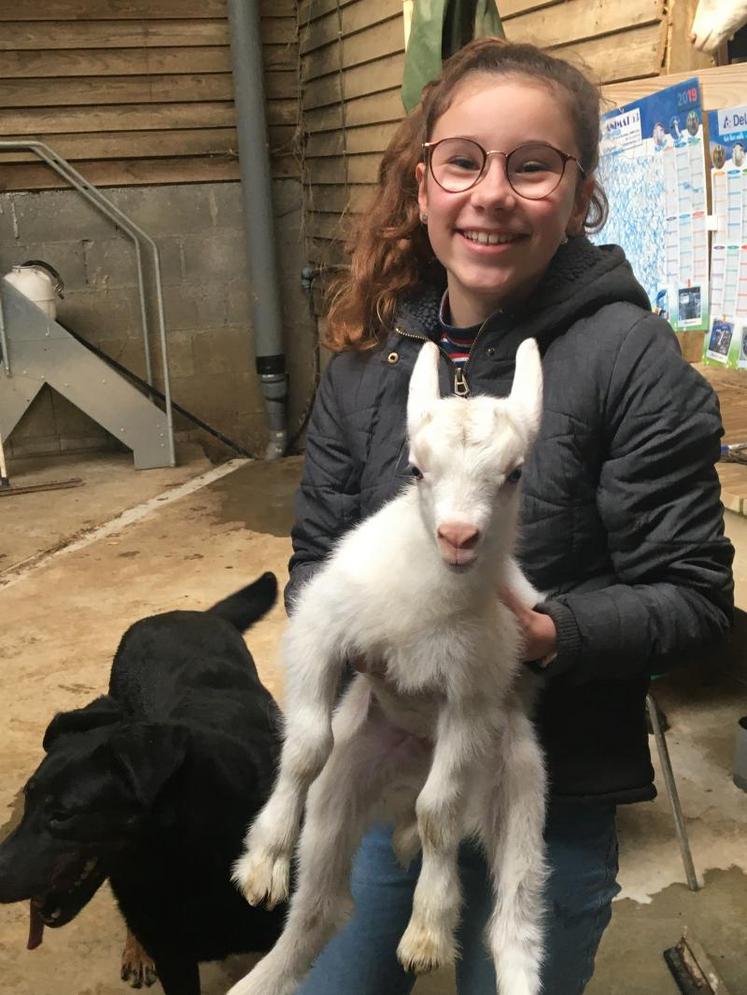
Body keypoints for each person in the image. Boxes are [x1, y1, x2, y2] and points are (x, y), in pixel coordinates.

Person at [285, 38, 734, 995]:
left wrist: (546, 632)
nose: (491, 193)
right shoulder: (370, 364)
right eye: (463, 161)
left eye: (532, 166)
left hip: (548, 785)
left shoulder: (628, 363)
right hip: (389, 768)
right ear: (423, 183)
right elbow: (317, 555)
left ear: (577, 198)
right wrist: (345, 636)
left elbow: (693, 597)